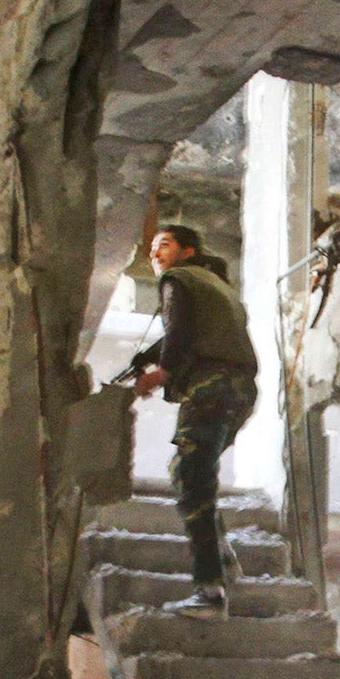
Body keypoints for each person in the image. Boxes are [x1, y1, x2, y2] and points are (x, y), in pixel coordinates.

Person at [126, 225, 259, 619]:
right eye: (151, 248)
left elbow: (179, 331)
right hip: (239, 390)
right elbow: (190, 330)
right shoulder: (216, 286)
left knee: (190, 475)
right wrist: (147, 355)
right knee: (190, 473)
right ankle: (221, 558)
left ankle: (210, 592)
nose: (155, 254)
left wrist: (160, 372)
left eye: (163, 244)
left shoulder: (178, 278)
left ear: (187, 252)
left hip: (211, 387)